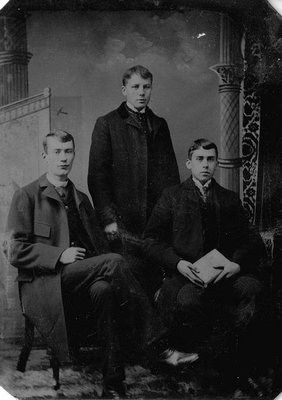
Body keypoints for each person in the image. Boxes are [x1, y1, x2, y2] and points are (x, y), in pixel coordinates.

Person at [4, 130, 138, 397]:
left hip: (80, 279)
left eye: (68, 152)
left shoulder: (82, 199)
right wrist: (58, 256)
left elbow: (98, 249)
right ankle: (154, 342)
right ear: (45, 156)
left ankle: (112, 382)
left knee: (105, 290)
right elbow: (13, 249)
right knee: (114, 262)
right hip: (45, 285)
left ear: (74, 155)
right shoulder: (28, 196)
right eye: (57, 152)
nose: (63, 158)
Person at [142, 138, 266, 392]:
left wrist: (236, 264)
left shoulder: (229, 199)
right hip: (186, 276)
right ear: (189, 163)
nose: (205, 164)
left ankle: (239, 371)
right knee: (189, 302)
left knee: (252, 290)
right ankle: (202, 374)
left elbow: (251, 240)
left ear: (216, 163)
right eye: (199, 159)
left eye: (210, 159)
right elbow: (150, 241)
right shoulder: (172, 196)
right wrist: (178, 264)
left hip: (225, 275)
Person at [87, 65, 180, 239]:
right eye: (135, 87)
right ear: (124, 90)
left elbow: (171, 176)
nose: (141, 92)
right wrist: (108, 220)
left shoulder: (160, 124)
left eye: (146, 87)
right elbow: (97, 178)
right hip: (121, 224)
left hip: (157, 221)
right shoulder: (107, 123)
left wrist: (170, 216)